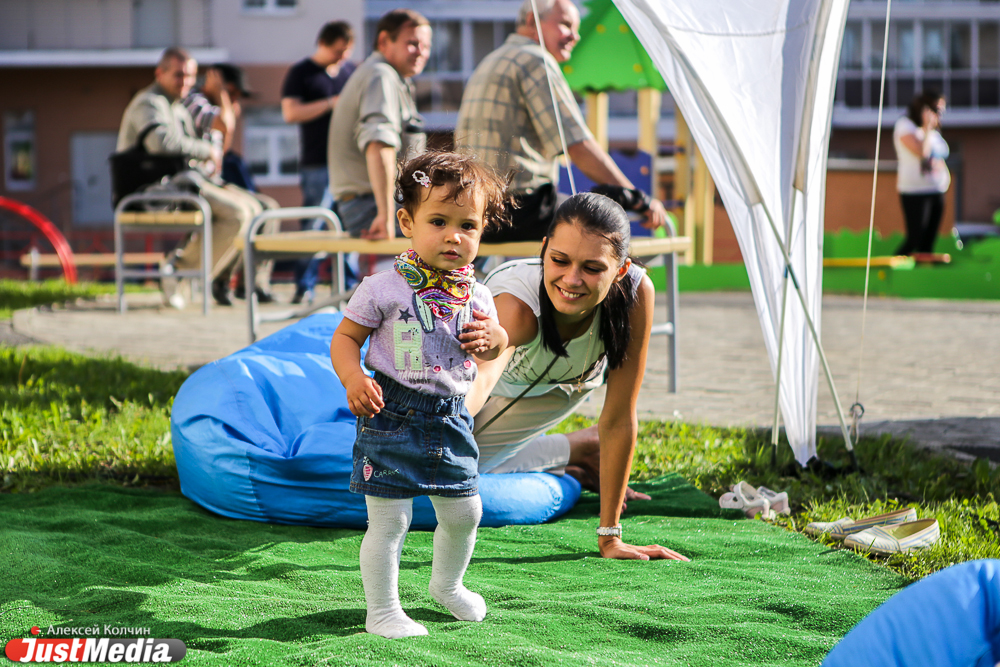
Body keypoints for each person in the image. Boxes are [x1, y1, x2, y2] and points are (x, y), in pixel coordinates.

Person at [330, 152, 510, 638]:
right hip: (392, 413)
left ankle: (447, 585)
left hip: (451, 416)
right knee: (391, 519)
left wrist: (494, 339)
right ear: (407, 222)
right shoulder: (382, 288)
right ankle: (383, 611)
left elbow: (498, 344)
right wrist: (352, 379)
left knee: (465, 510)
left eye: (468, 225)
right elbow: (345, 339)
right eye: (439, 221)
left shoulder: (477, 294)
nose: (454, 236)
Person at [465, 192, 689, 562]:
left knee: (466, 468)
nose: (572, 279)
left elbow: (618, 417)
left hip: (566, 386)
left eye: (593, 268)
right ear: (544, 250)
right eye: (559, 260)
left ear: (619, 269)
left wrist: (610, 537)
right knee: (450, 466)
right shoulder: (517, 304)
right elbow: (482, 380)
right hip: (494, 385)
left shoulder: (635, 292)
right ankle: (580, 448)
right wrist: (444, 428)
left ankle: (586, 449)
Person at [455, 0, 668, 242]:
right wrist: (638, 198)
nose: (575, 36)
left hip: (475, 205)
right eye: (566, 25)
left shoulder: (492, 60)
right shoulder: (536, 60)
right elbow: (577, 145)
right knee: (600, 225)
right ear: (532, 21)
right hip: (516, 208)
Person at [116, 47, 264, 308]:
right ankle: (179, 272)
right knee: (237, 214)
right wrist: (208, 150)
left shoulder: (176, 105)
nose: (185, 82)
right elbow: (161, 144)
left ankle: (182, 271)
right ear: (159, 73)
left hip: (178, 185)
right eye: (178, 75)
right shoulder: (149, 103)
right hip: (149, 191)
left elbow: (192, 146)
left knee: (252, 209)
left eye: (190, 76)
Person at [328, 9, 430, 242]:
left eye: (426, 46)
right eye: (413, 43)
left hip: (373, 202)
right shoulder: (380, 76)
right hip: (369, 206)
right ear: (384, 40)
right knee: (464, 225)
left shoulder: (395, 78)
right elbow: (379, 146)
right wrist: (384, 216)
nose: (421, 53)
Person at [182, 62, 278, 303]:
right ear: (216, 83)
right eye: (232, 92)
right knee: (248, 211)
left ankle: (253, 284)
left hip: (216, 181)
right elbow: (224, 125)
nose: (234, 100)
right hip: (197, 183)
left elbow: (223, 147)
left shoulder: (216, 108)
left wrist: (224, 101)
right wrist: (222, 96)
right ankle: (222, 280)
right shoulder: (195, 101)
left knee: (270, 208)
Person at [282, 21, 357, 304]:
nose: (343, 57)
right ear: (324, 43)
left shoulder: (350, 71)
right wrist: (330, 103)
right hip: (317, 163)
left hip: (347, 164)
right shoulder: (301, 72)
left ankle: (350, 287)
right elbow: (290, 113)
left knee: (350, 226)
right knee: (314, 223)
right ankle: (305, 286)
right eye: (339, 51)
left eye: (347, 52)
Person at [894, 91, 950, 256]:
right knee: (915, 238)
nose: (939, 115)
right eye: (937, 110)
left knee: (928, 242)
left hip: (936, 190)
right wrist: (926, 127)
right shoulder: (906, 126)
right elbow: (923, 153)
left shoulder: (933, 132)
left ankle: (922, 277)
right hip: (915, 191)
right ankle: (889, 274)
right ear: (926, 109)